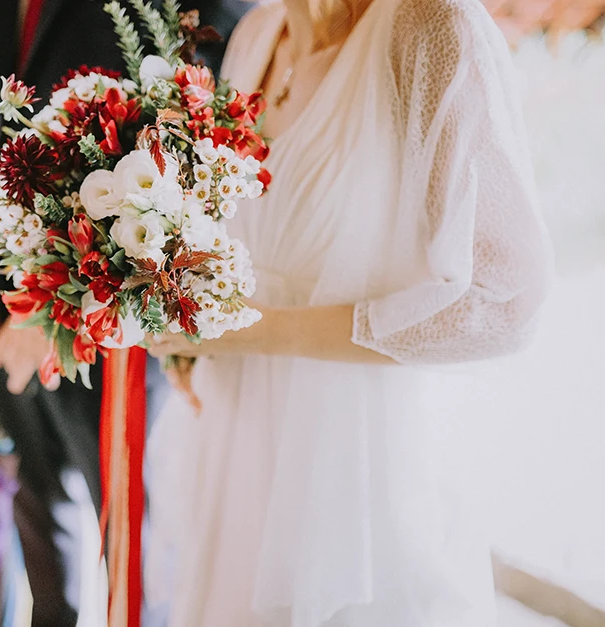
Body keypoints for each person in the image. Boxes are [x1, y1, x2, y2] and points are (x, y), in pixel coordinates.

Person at [146, 0, 554, 625]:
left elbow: (506, 303)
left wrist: (249, 331)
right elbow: (243, 234)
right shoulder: (255, 34)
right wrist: (185, 327)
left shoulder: (433, 28)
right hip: (236, 436)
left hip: (358, 465)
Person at [0, 1, 245, 625]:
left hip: (124, 283)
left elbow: (220, 81)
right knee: (24, 496)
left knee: (137, 527)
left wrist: (63, 296)